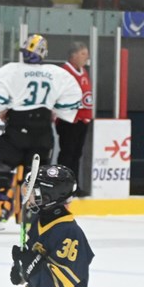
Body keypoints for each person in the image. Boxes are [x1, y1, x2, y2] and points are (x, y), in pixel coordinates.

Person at [0, 35, 82, 231]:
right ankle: (35, 216)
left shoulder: (12, 71)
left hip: (18, 129)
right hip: (43, 132)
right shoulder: (56, 74)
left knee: (0, 166)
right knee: (36, 176)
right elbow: (70, 101)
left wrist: (4, 109)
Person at [55, 42, 93, 182]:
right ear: (73, 55)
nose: (86, 57)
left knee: (77, 153)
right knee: (67, 152)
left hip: (82, 119)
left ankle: (73, 184)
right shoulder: (64, 71)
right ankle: (62, 183)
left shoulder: (83, 71)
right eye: (83, 53)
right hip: (69, 119)